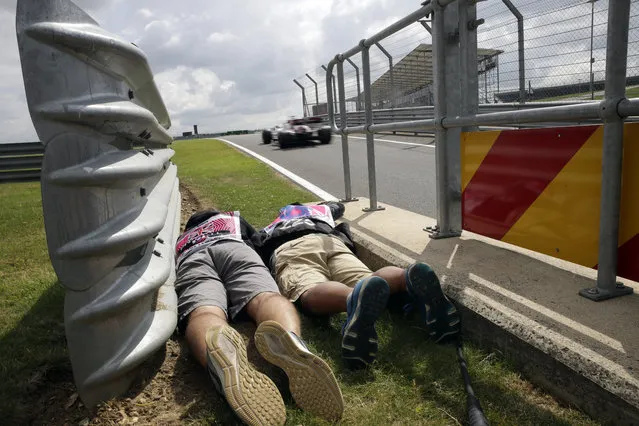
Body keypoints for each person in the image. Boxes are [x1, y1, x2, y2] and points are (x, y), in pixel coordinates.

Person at [174, 209, 344, 426]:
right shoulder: (231, 219)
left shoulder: (182, 241)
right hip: (233, 245)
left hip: (192, 257)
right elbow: (259, 243)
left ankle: (221, 360)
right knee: (264, 298)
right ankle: (291, 340)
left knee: (204, 311)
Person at [253, 202, 461, 369]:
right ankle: (405, 277)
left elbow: (249, 243)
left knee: (308, 289)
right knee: (371, 280)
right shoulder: (319, 211)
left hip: (291, 248)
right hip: (331, 242)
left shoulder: (271, 228)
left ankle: (353, 298)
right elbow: (338, 207)